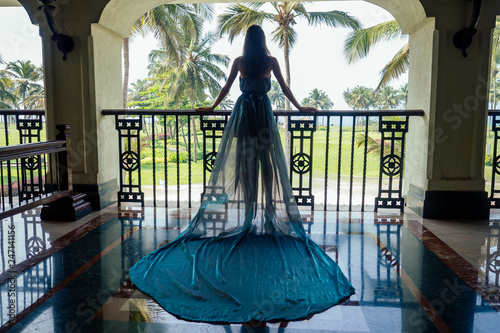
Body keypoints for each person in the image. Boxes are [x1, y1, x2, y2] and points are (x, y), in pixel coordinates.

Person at [129, 25, 354, 324]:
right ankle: (270, 219)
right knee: (268, 168)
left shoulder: (240, 61)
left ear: (246, 41)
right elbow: (285, 89)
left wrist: (211, 107)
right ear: (263, 41)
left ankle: (249, 219)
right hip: (262, 114)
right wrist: (300, 107)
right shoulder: (270, 61)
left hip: (245, 115)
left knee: (248, 170)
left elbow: (225, 89)